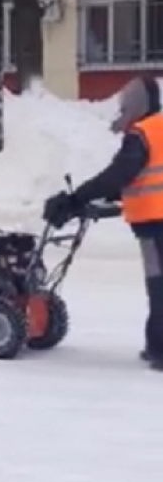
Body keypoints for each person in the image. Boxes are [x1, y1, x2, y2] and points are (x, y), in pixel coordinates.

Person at [42, 76, 163, 370]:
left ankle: (160, 349)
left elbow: (119, 174)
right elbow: (136, 176)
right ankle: (155, 345)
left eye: (125, 104)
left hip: (155, 222)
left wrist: (74, 200)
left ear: (136, 104)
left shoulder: (141, 134)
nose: (121, 110)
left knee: (158, 285)